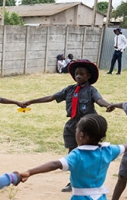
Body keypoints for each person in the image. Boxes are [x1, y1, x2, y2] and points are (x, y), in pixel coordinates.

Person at [23, 60, 111, 192]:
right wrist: (31, 101)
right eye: (76, 74)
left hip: (88, 125)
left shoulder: (91, 90)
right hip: (73, 125)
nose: (78, 76)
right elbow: (51, 97)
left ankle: (90, 179)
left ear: (88, 76)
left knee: (89, 153)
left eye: (82, 74)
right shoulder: (70, 90)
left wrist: (107, 105)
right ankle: (73, 181)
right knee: (73, 153)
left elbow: (99, 100)